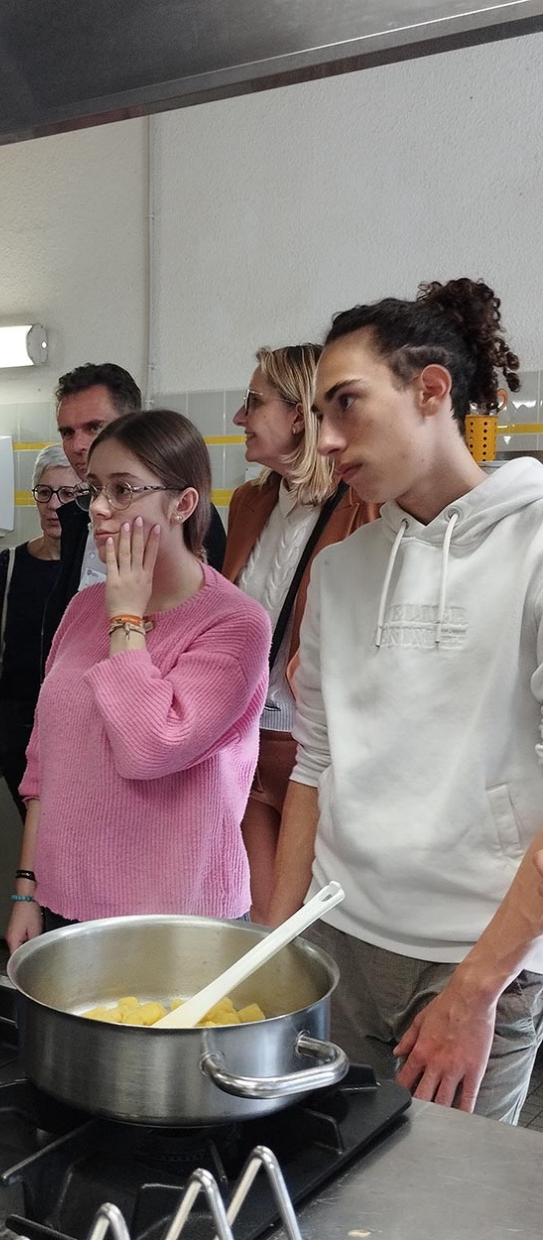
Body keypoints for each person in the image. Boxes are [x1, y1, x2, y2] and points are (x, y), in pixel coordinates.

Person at [269, 277, 543, 1123]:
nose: (328, 439)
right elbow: (314, 766)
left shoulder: (535, 546)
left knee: (440, 1206)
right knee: (326, 1181)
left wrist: (475, 991)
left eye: (347, 404)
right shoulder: (342, 568)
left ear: (431, 391)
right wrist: (274, 946)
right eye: (317, 415)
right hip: (337, 942)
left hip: (471, 962)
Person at [6, 410, 269, 950]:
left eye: (124, 490)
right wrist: (26, 890)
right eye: (95, 488)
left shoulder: (235, 623)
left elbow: (150, 747)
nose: (99, 508)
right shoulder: (83, 609)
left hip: (179, 920)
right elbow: (43, 765)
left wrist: (127, 621)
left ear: (183, 503)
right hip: (64, 905)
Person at [222, 344, 378, 922]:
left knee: (321, 924)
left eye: (253, 403)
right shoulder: (248, 502)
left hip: (321, 749)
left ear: (297, 415)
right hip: (245, 739)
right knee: (262, 928)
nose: (240, 418)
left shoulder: (365, 506)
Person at [41, 363, 227, 669]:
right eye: (67, 432)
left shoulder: (189, 519)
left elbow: (203, 613)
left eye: (94, 427)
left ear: (133, 426)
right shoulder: (75, 516)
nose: (78, 445)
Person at [0, 445, 80, 817]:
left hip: (78, 730)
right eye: (45, 492)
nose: (55, 505)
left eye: (69, 494)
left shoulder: (98, 572)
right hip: (18, 727)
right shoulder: (9, 565)